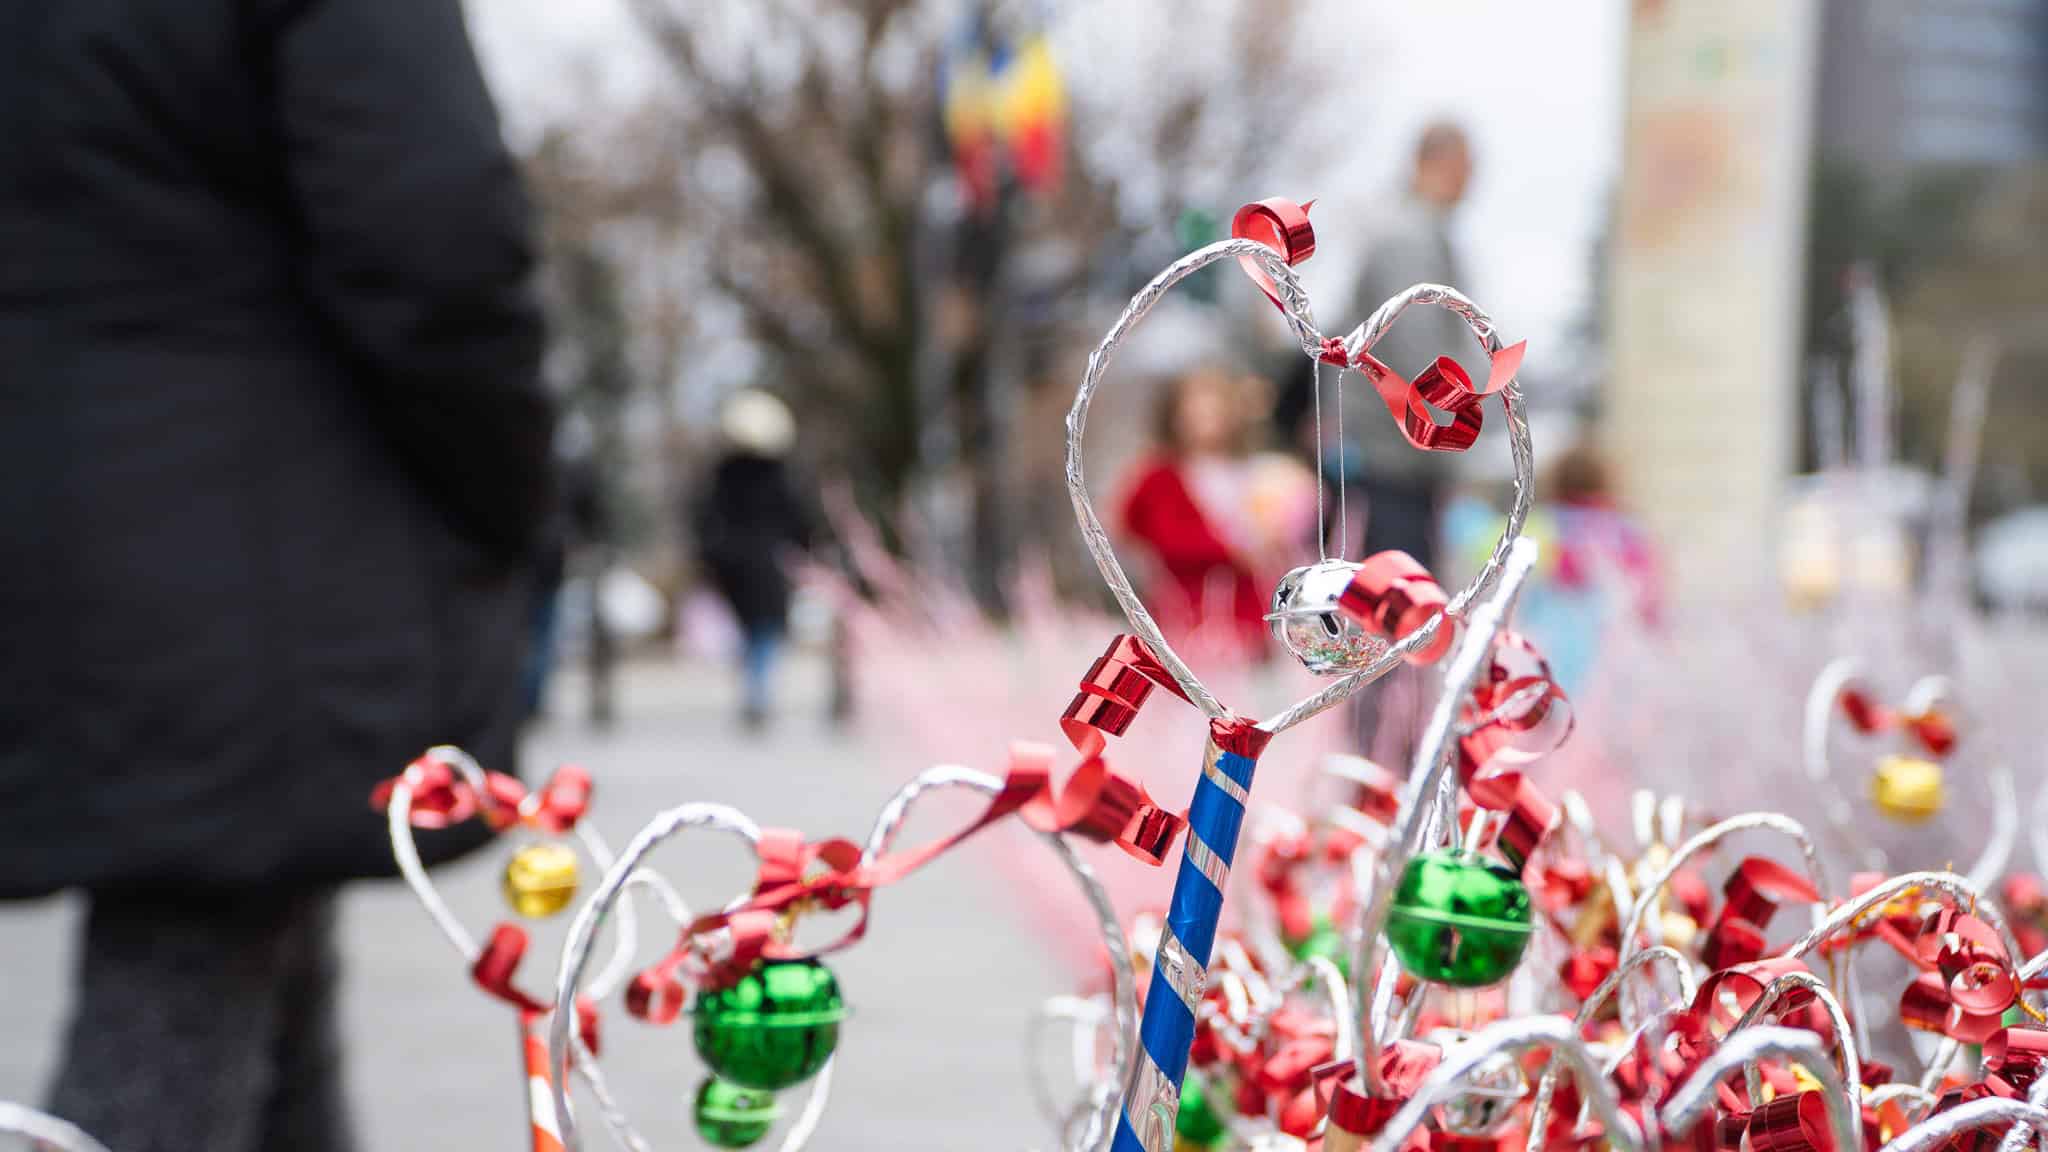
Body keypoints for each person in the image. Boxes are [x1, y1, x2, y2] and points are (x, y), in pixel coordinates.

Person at [0, 2, 553, 1149]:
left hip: (83, 513)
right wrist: (506, 495)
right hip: (234, 540)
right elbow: (436, 238)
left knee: (247, 950)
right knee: (180, 986)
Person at [1347, 120, 1479, 569]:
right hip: (1394, 457)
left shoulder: (1415, 233)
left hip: (1401, 456)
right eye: (1465, 168)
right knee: (1399, 599)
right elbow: (1420, 356)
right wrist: (1456, 435)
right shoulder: (1407, 239)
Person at [1118, 369, 1314, 656]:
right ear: (1174, 415)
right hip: (1188, 614)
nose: (1206, 419)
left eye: (1215, 408)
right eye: (1195, 410)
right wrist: (1232, 550)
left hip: (1248, 615)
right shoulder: (1159, 476)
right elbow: (1162, 536)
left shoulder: (1251, 471)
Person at [693, 390, 812, 730]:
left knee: (752, 631)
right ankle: (758, 691)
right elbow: (799, 521)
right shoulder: (780, 475)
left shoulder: (724, 474)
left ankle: (754, 689)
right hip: (767, 562)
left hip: (734, 564)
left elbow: (705, 518)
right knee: (765, 630)